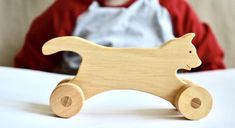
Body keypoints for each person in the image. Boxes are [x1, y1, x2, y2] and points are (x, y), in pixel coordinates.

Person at [14, 0, 225, 75]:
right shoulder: (66, 10)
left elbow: (210, 61)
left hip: (160, 103)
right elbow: (28, 69)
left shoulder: (170, 7)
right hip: (86, 105)